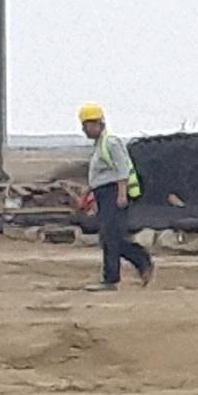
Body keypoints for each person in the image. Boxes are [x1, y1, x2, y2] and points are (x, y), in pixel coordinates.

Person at [79, 104, 154, 290]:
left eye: (87, 125)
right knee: (108, 237)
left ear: (97, 123)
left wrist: (121, 194)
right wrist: (89, 192)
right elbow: (101, 174)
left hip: (114, 193)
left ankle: (112, 278)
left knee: (110, 237)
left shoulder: (111, 142)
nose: (85, 130)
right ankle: (141, 261)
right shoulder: (100, 145)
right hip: (104, 194)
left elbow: (122, 170)